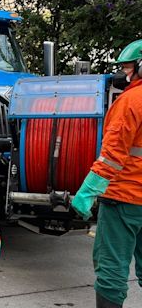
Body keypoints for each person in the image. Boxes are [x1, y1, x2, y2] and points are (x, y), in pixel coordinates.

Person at [72, 39, 142, 308]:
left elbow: (112, 156)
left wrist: (88, 192)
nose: (122, 74)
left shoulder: (131, 101)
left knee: (111, 270)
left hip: (124, 200)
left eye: (127, 68)